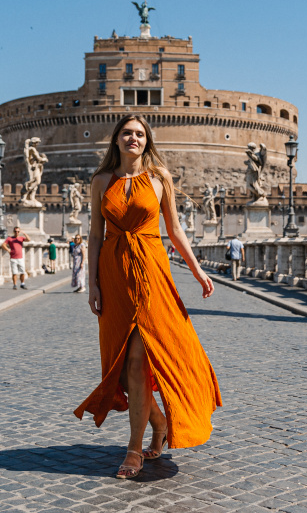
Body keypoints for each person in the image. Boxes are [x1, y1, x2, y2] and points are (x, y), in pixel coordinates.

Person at [74, 114, 221, 480]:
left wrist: (198, 270)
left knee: (141, 357)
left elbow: (175, 229)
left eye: (139, 134)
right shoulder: (101, 181)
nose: (133, 139)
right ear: (116, 139)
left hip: (152, 273)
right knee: (124, 368)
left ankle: (133, 449)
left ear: (147, 141)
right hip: (114, 276)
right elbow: (94, 234)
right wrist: (92, 284)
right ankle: (157, 423)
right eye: (127, 133)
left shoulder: (159, 179)